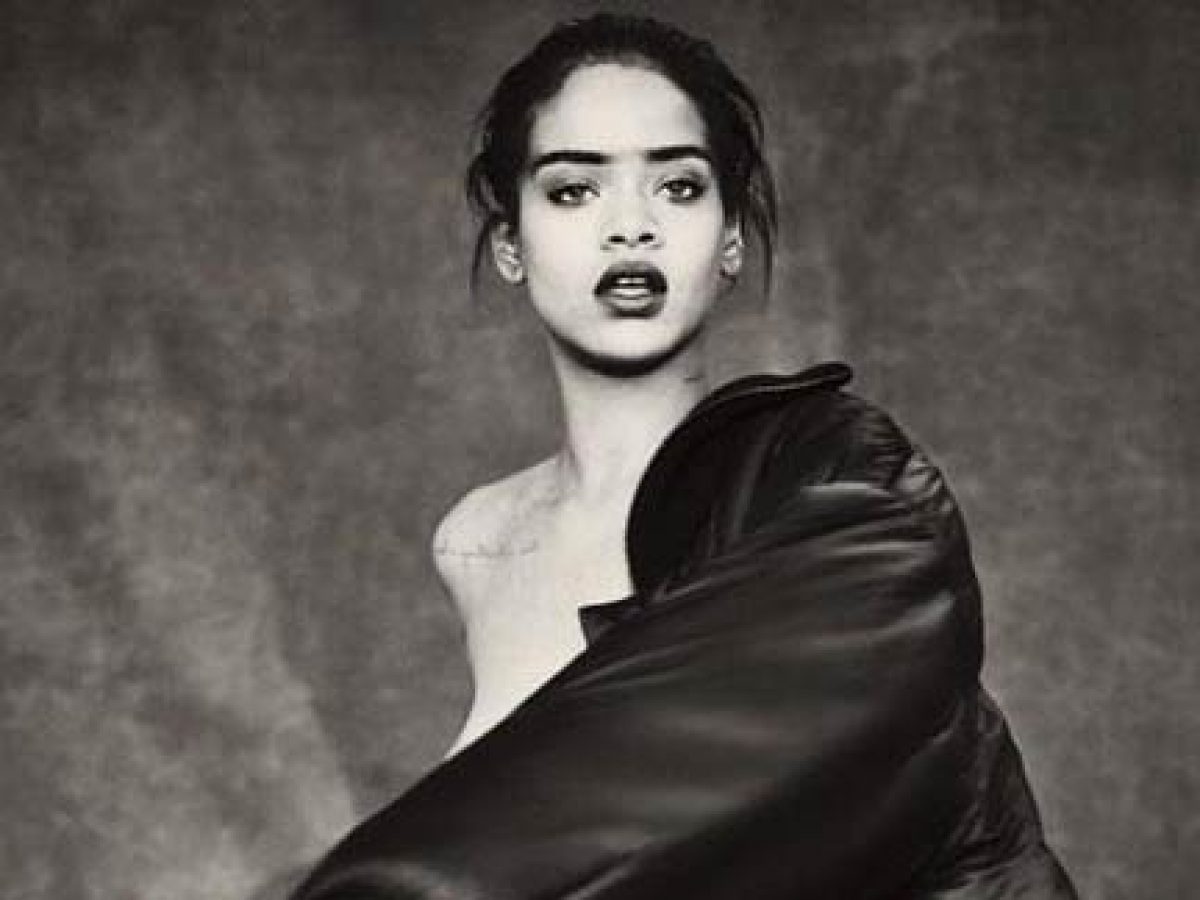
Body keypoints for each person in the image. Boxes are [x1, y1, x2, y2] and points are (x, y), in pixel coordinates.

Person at [291, 14, 1077, 899]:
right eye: (573, 190)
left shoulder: (836, 476)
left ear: (730, 238)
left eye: (677, 186)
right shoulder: (474, 538)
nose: (631, 227)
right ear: (511, 245)